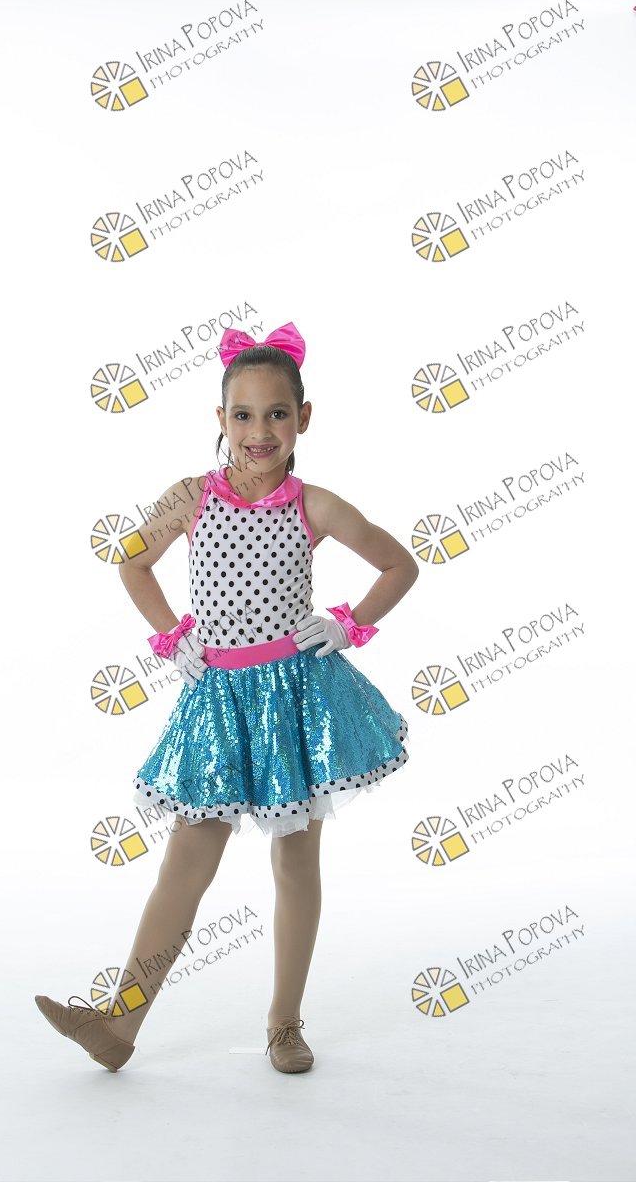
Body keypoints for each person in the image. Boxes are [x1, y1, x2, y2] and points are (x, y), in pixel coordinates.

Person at [35, 320, 419, 1074]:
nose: (259, 431)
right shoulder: (191, 499)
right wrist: (171, 635)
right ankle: (120, 1022)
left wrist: (346, 625)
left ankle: (284, 1023)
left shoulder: (314, 506)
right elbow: (132, 563)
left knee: (295, 861)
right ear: (220, 418)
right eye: (243, 415)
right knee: (186, 859)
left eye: (277, 413)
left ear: (304, 417)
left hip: (294, 700)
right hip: (217, 701)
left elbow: (398, 565)